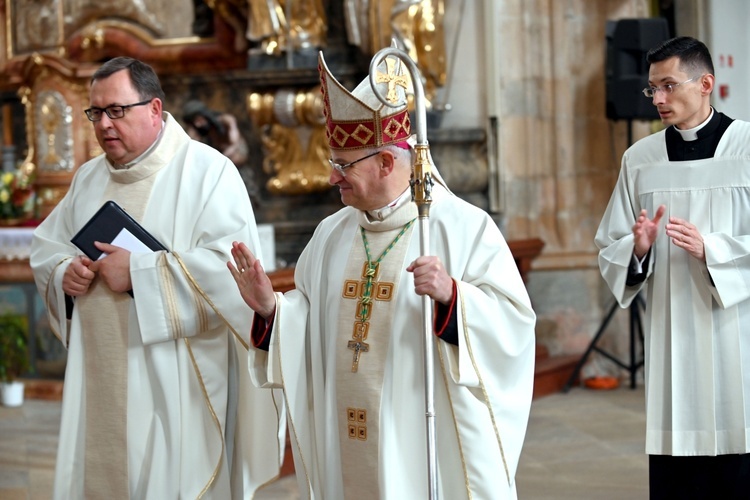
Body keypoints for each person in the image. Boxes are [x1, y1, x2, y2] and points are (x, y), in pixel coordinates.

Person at [228, 50, 537, 499]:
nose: (333, 178)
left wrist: (454, 296)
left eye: (344, 165)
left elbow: (513, 327)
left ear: (387, 163)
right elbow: (309, 329)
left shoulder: (459, 228)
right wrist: (272, 308)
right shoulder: (331, 234)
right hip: (345, 435)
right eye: (332, 164)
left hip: (421, 439)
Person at [30, 57, 284, 499]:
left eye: (117, 111)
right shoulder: (88, 179)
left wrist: (140, 272)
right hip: (100, 372)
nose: (104, 124)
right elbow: (47, 247)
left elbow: (233, 272)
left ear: (153, 108)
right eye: (96, 113)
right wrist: (61, 274)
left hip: (174, 379)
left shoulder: (207, 172)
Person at [596, 36, 750, 498]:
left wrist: (714, 251)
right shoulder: (640, 159)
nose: (658, 99)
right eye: (651, 89)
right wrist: (637, 249)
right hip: (672, 332)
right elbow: (611, 242)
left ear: (706, 83)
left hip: (736, 332)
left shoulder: (746, 147)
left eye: (668, 86)